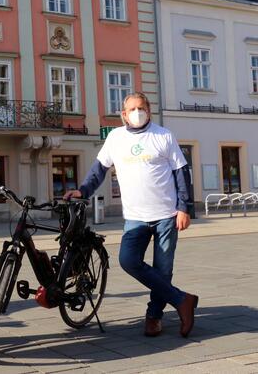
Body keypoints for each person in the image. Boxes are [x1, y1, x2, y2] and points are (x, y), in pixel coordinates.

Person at [64, 93, 198, 338]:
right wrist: (82, 189)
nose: (137, 112)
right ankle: (182, 300)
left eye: (141, 107)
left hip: (167, 215)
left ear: (149, 109)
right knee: (128, 260)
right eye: (132, 109)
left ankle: (154, 317)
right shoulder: (115, 138)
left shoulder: (163, 135)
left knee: (163, 270)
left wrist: (184, 207)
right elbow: (99, 170)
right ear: (123, 114)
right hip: (135, 217)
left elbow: (181, 172)